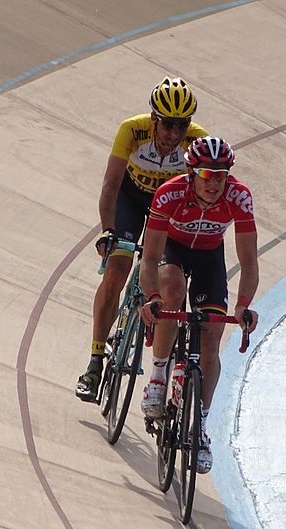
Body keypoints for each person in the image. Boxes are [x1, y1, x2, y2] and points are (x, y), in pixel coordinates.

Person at [75, 77, 209, 401]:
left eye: (181, 126)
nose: (174, 135)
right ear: (153, 119)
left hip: (168, 210)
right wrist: (109, 230)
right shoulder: (131, 131)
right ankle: (95, 362)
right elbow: (110, 187)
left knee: (167, 280)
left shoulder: (197, 142)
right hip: (131, 200)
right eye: (167, 125)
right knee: (117, 270)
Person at [139, 136, 260, 473]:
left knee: (211, 337)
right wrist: (152, 298)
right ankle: (159, 375)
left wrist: (244, 305)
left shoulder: (239, 197)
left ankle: (200, 428)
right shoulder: (170, 193)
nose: (214, 184)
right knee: (172, 293)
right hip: (172, 251)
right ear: (192, 173)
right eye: (207, 175)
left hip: (210, 257)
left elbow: (249, 263)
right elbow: (149, 259)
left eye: (221, 176)